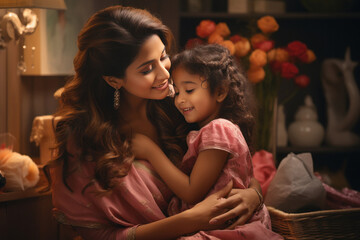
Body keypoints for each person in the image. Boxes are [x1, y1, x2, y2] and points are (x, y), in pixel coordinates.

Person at [47, 5, 264, 240]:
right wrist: (187, 221)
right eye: (147, 69)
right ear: (114, 80)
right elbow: (100, 236)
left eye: (163, 57)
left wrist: (254, 195)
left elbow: (235, 166)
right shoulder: (85, 140)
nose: (164, 74)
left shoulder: (180, 107)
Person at [131, 44, 283, 239]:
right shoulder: (206, 129)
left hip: (224, 229)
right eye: (177, 92)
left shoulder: (218, 129)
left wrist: (151, 151)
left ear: (220, 92)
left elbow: (192, 192)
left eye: (189, 90)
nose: (180, 100)